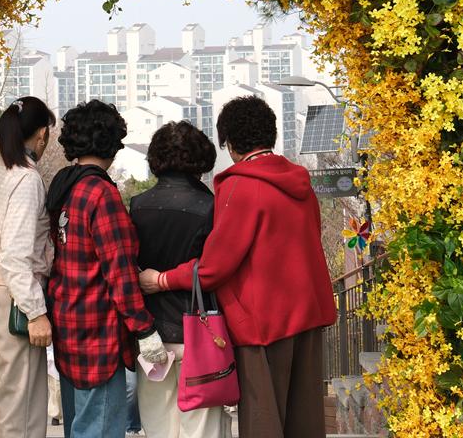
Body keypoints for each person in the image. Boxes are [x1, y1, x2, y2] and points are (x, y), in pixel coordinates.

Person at [139, 96, 336, 438]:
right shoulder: (301, 184)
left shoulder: (240, 186)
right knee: (304, 422)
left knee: (264, 422)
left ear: (229, 143)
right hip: (308, 313)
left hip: (263, 323)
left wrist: (163, 279)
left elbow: (215, 266)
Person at [45, 99, 170, 438]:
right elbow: (120, 273)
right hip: (98, 332)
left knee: (79, 426)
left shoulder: (64, 187)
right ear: (113, 143)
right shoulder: (101, 194)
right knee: (99, 429)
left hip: (67, 325)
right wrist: (144, 329)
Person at [129, 121, 231, 438]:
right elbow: (215, 270)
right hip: (198, 334)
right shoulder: (210, 207)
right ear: (201, 159)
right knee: (201, 427)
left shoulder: (137, 206)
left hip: (152, 335)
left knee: (158, 424)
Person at [0, 96, 57, 438]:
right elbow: (16, 254)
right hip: (14, 297)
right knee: (22, 413)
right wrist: (35, 311)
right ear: (41, 135)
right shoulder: (26, 179)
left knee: (2, 409)